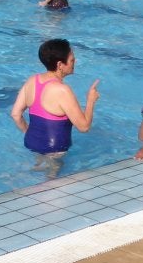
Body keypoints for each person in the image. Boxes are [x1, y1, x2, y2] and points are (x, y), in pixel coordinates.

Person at [10, 38, 99, 178]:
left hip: (31, 142)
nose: (74, 62)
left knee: (39, 167)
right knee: (52, 181)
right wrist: (91, 100)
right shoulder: (62, 90)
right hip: (55, 149)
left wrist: (31, 133)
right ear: (60, 65)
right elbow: (84, 127)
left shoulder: (32, 80)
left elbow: (15, 114)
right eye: (71, 60)